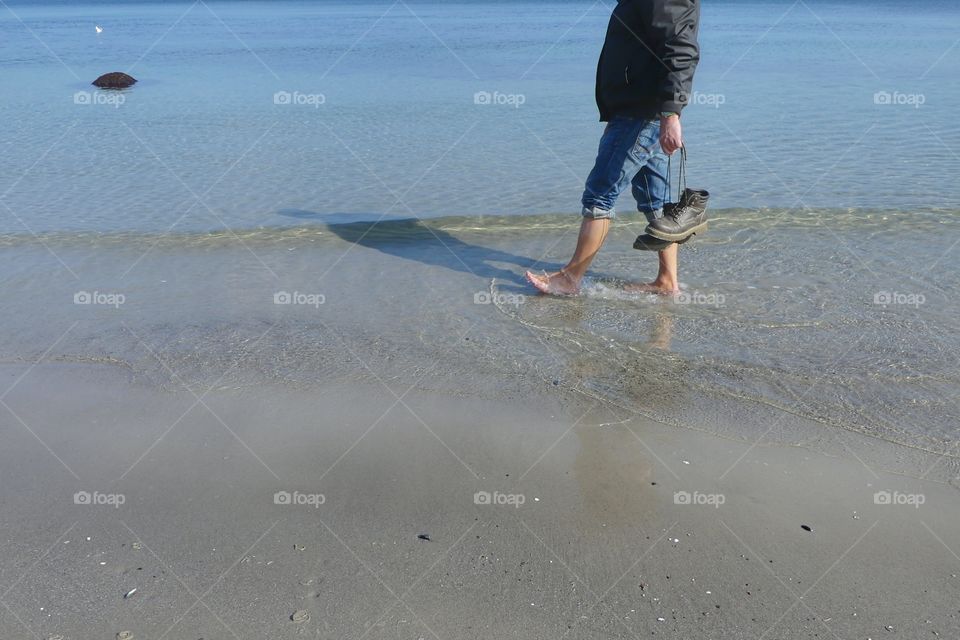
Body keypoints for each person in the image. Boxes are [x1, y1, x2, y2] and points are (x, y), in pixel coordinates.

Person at [526, 0, 701, 295]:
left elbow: (681, 49)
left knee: (599, 194)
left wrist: (671, 113)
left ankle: (570, 279)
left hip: (639, 111)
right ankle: (667, 281)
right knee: (655, 202)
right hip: (638, 109)